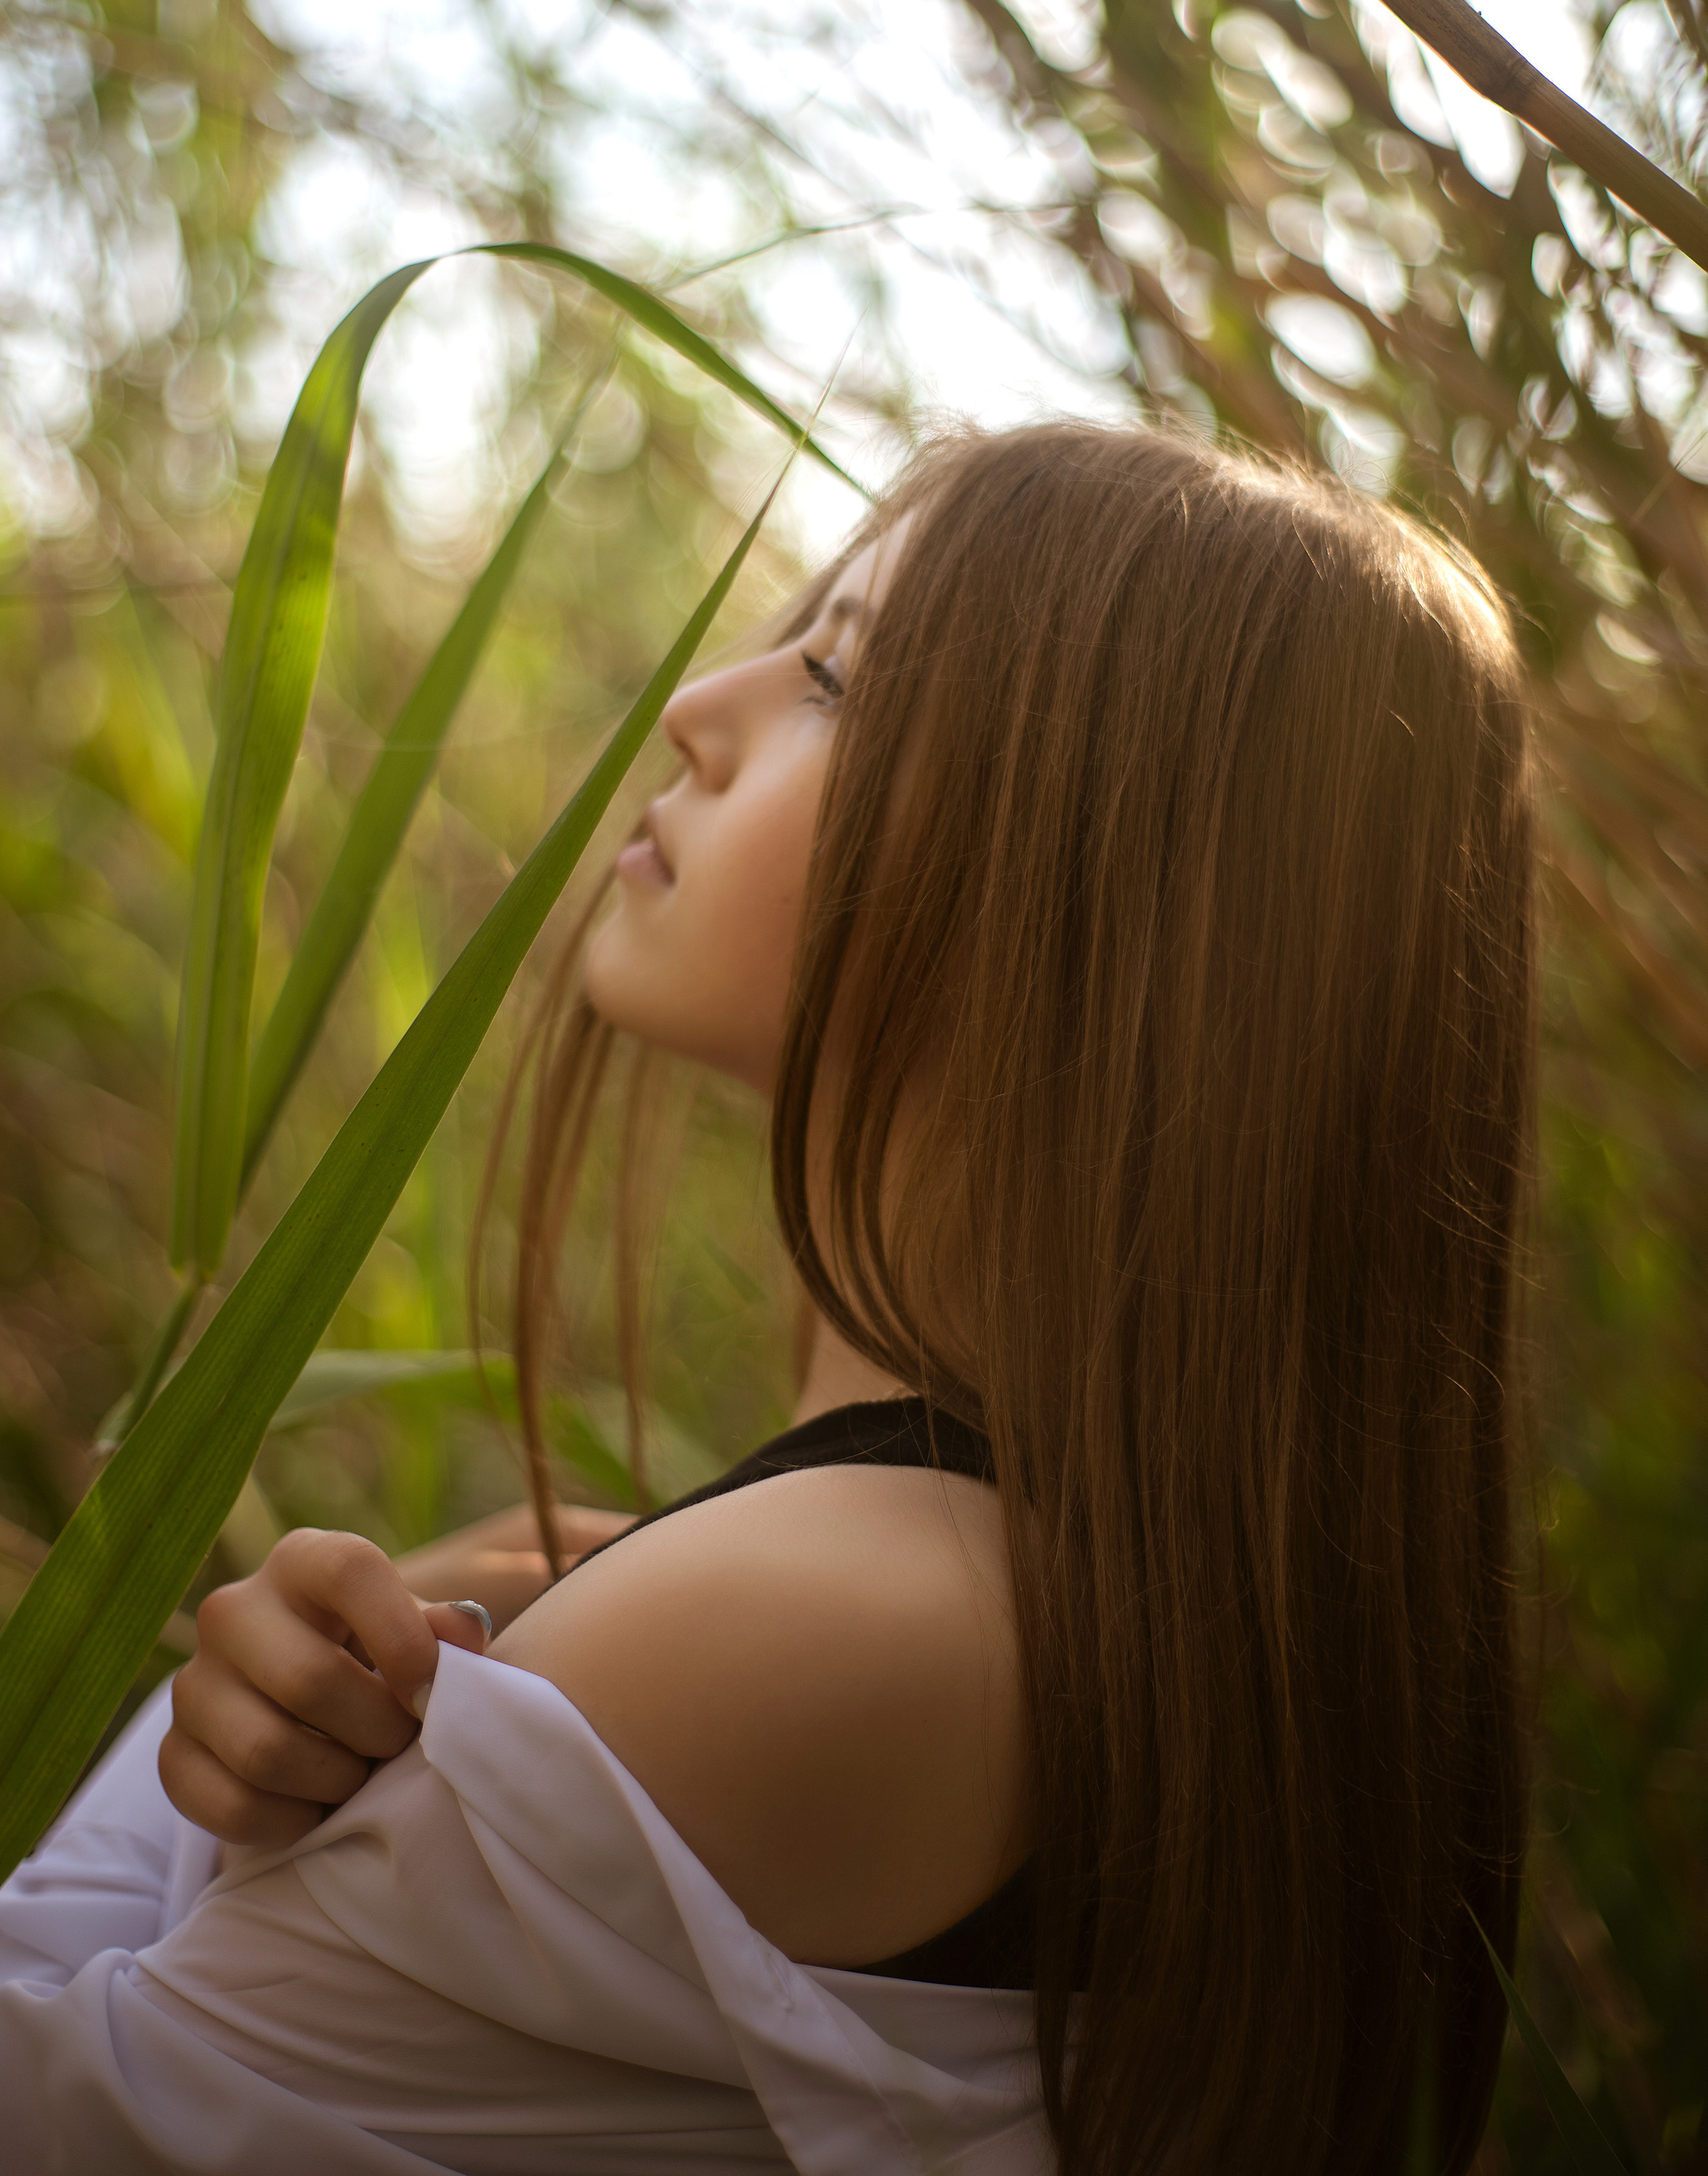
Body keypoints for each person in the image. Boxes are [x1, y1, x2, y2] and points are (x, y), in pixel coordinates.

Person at [0, 424, 1536, 2176]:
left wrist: (150, 1769)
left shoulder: (845, 1611)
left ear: (1103, 885)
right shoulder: (1059, 1596)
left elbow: (55, 2114)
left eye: (834, 674)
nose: (700, 704)